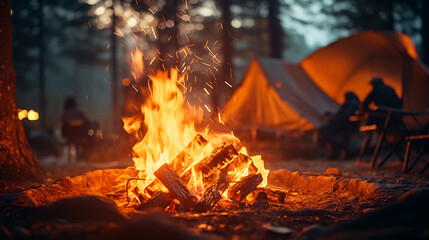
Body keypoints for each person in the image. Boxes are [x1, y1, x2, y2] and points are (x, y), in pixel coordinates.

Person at [318, 92, 360, 159]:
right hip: (346, 125)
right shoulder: (354, 104)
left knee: (324, 130)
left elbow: (344, 117)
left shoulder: (350, 104)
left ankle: (340, 149)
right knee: (326, 131)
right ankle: (337, 151)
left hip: (345, 126)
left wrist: (332, 119)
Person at [59, 97, 91, 162]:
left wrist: (64, 135)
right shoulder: (79, 113)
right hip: (79, 136)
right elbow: (87, 123)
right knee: (86, 142)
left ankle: (70, 159)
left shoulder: (64, 115)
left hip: (68, 137)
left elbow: (62, 128)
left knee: (73, 144)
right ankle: (82, 158)